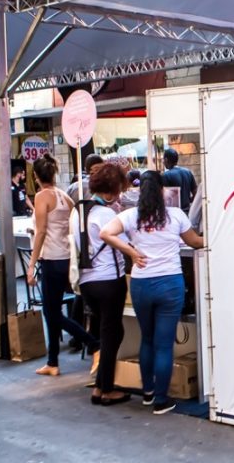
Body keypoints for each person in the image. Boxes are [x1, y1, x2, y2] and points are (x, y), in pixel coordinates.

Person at [101, 171, 204, 414]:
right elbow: (195, 242)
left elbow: (105, 233)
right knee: (164, 345)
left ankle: (147, 393)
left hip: (141, 284)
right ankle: (161, 399)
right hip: (170, 283)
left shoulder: (130, 216)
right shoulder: (175, 215)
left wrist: (131, 251)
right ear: (161, 190)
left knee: (147, 339)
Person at [27, 154, 99, 376]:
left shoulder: (42, 197)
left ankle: (93, 342)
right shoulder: (65, 197)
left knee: (51, 312)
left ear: (36, 176)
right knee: (53, 310)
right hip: (66, 258)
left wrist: (31, 265)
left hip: (51, 259)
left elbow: (41, 232)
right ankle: (53, 361)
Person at [71, 163, 131, 405]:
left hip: (87, 282)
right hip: (109, 280)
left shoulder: (78, 212)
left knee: (107, 331)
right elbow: (125, 242)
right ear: (112, 191)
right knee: (112, 333)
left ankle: (100, 386)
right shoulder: (107, 215)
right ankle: (106, 390)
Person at [162, 148, 196, 215]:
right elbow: (195, 192)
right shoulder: (188, 172)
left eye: (163, 159)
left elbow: (165, 197)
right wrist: (189, 200)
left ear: (166, 159)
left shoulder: (166, 175)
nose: (163, 162)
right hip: (187, 212)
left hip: (174, 213)